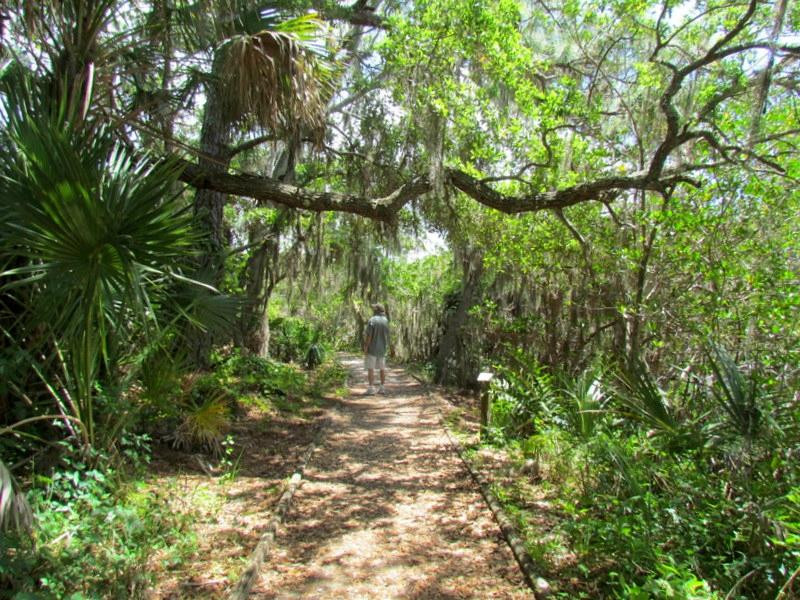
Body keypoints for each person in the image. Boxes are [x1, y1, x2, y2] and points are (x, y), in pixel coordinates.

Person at [363, 303, 390, 395]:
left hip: (372, 349)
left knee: (371, 369)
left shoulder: (372, 320)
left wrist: (366, 346)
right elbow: (387, 336)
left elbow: (369, 336)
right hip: (382, 349)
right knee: (382, 369)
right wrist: (391, 347)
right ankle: (382, 387)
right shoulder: (385, 321)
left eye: (374, 308)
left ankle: (371, 388)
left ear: (376, 310)